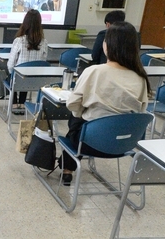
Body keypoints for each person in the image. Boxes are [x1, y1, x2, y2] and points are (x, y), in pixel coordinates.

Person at [62, 21, 151, 185]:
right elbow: (141, 110)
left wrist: (84, 113)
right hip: (125, 144)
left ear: (107, 45)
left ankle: (67, 169)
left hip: (89, 143)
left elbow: (73, 104)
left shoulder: (94, 71)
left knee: (76, 119)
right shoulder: (141, 78)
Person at [7, 9, 48, 112]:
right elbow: (43, 63)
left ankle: (14, 104)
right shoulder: (44, 42)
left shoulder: (19, 40)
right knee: (27, 73)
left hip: (18, 80)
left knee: (14, 73)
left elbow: (11, 65)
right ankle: (22, 102)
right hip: (35, 80)